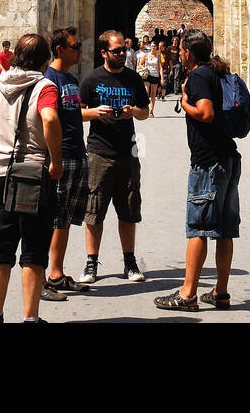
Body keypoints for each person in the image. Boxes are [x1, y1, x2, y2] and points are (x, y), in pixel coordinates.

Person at [0, 33, 63, 323]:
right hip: (33, 175)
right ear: (45, 59)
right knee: (33, 249)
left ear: (16, 55)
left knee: (0, 249)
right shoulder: (45, 86)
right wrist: (56, 161)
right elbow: (50, 119)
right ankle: (30, 318)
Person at [155, 29, 240, 312]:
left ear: (187, 53)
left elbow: (206, 113)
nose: (178, 52)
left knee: (199, 229)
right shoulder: (214, 73)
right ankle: (221, 293)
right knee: (224, 230)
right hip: (227, 158)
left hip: (208, 163)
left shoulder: (200, 76)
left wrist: (185, 102)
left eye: (180, 49)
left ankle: (188, 293)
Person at [78, 29, 150, 284]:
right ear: (104, 53)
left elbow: (145, 111)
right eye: (117, 50)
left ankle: (129, 262)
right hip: (99, 151)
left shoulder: (132, 79)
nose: (122, 53)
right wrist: (96, 112)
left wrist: (133, 112)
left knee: (128, 208)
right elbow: (78, 113)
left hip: (128, 152)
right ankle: (91, 263)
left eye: (123, 49)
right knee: (94, 209)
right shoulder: (91, 79)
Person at [43, 26, 88, 299]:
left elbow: (73, 114)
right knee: (55, 218)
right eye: (76, 46)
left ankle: (57, 273)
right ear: (60, 50)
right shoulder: (50, 80)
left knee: (66, 220)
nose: (80, 50)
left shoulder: (69, 78)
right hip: (62, 156)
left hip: (77, 154)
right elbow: (49, 120)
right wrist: (54, 158)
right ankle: (48, 278)